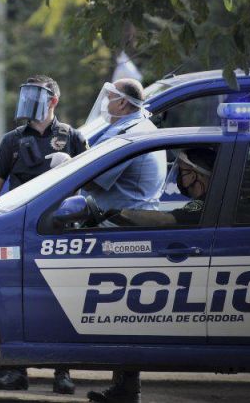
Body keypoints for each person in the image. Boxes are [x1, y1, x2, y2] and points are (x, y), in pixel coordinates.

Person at [86, 147, 216, 403]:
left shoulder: (204, 206)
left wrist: (118, 214)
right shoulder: (210, 204)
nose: (180, 177)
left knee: (130, 311)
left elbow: (167, 220)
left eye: (185, 171)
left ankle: (127, 388)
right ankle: (126, 389)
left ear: (198, 176)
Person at [0, 75, 88, 395]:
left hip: (60, 231)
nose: (29, 100)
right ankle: (16, 371)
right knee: (18, 301)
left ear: (53, 100)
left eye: (38, 95)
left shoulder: (72, 137)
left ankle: (62, 371)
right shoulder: (12, 140)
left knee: (60, 302)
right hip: (20, 231)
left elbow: (89, 186)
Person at [83, 79, 167, 215]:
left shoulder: (123, 135)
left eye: (109, 97)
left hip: (120, 222)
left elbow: (88, 182)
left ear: (122, 103)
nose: (105, 102)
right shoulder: (144, 126)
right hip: (137, 218)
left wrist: (66, 163)